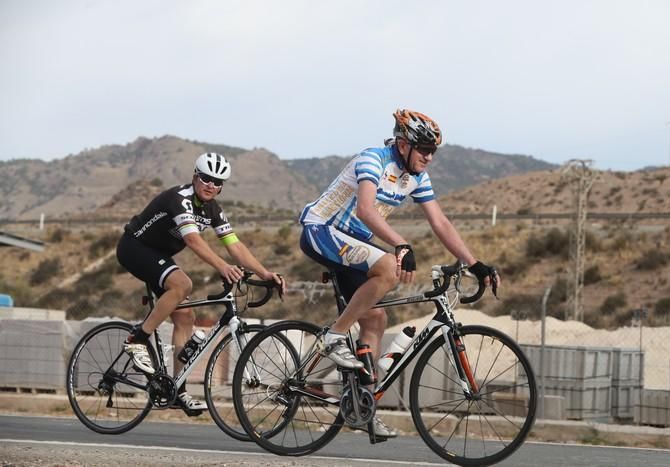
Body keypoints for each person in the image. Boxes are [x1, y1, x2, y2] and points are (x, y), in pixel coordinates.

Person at [299, 109, 500, 437]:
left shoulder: (416, 176)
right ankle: (334, 335)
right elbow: (365, 209)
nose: (429, 157)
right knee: (388, 269)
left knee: (376, 320)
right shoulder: (373, 159)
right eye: (424, 149)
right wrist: (400, 244)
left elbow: (440, 223)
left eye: (433, 151)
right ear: (404, 144)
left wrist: (474, 263)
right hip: (321, 230)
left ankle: (361, 406)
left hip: (351, 245)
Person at [117, 152, 286, 413]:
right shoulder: (180, 199)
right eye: (206, 178)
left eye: (218, 182)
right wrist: (223, 267)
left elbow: (235, 245)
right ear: (195, 177)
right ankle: (137, 339)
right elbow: (194, 241)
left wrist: (265, 273)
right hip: (134, 247)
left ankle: (177, 390)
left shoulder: (212, 209)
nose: (211, 185)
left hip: (158, 255)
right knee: (183, 284)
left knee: (185, 317)